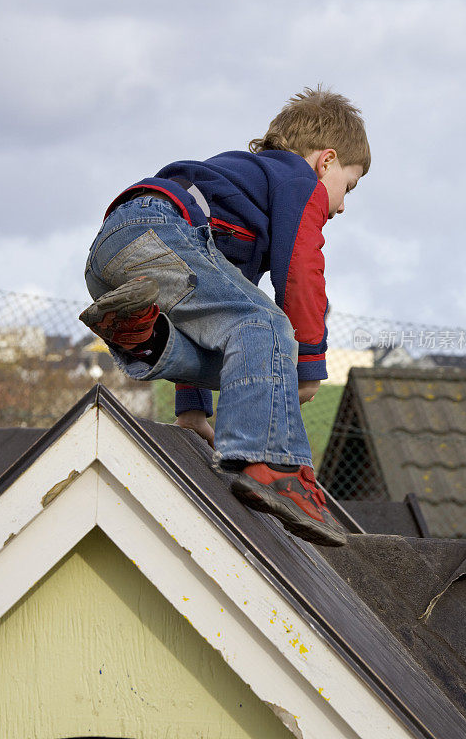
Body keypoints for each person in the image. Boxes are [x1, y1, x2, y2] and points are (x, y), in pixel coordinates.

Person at [80, 86, 370, 546]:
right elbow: (302, 267)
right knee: (270, 328)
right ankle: (273, 464)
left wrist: (193, 410)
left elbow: (214, 327)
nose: (341, 206)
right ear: (326, 161)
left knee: (247, 350)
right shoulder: (296, 177)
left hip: (113, 255)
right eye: (347, 188)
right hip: (159, 227)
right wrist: (310, 361)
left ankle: (145, 335)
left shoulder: (243, 209)